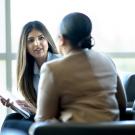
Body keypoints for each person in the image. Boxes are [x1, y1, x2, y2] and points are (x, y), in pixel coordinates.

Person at [34, 12, 127, 123]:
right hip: (113, 131)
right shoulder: (107, 61)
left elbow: (43, 119)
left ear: (62, 39)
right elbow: (122, 106)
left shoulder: (52, 69)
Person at [0, 20, 60, 133]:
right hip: (40, 116)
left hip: (57, 121)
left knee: (13, 124)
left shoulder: (60, 63)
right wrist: (19, 107)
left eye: (41, 38)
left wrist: (36, 111)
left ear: (48, 40)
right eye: (30, 40)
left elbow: (64, 108)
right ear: (25, 46)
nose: (37, 44)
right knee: (11, 119)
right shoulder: (29, 70)